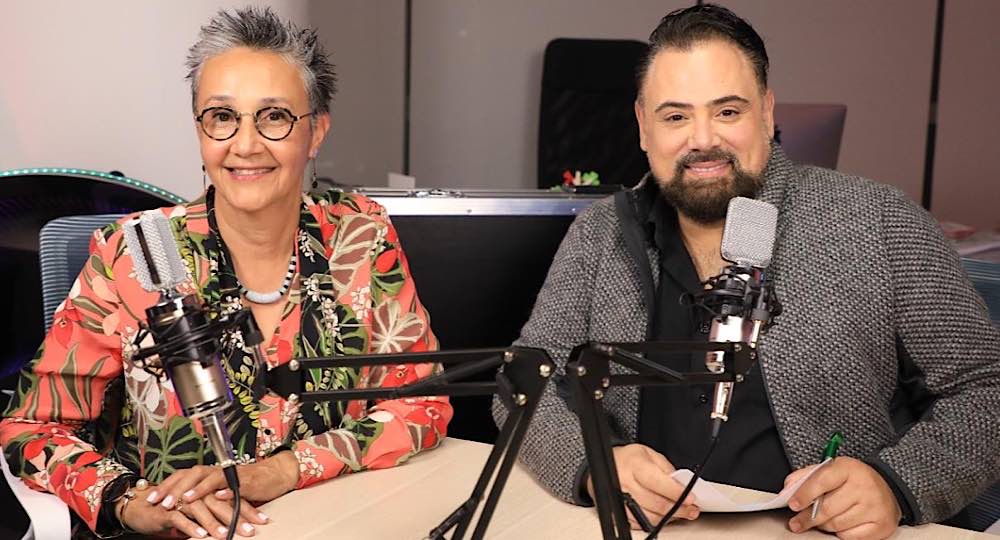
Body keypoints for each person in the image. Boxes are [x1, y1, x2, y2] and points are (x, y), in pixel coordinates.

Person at [496, 4, 1000, 539]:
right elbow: (521, 383)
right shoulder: (600, 235)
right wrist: (595, 463)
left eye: (728, 112)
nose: (703, 139)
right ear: (643, 127)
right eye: (675, 117)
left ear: (766, 111)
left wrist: (896, 484)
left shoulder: (877, 219)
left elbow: (986, 389)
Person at [0, 7, 450, 539]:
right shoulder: (134, 254)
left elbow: (421, 404)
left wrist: (285, 470)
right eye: (221, 116)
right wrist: (128, 501)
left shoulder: (361, 236)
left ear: (316, 132)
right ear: (200, 129)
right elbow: (31, 428)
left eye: (274, 116)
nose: (245, 144)